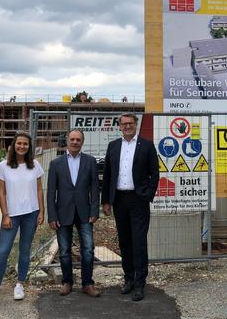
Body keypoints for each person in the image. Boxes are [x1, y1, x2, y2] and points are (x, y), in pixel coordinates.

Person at [101, 113, 159, 301]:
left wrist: (147, 194)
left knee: (139, 242)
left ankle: (140, 283)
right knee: (125, 242)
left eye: (130, 123)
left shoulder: (146, 145)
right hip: (119, 200)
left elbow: (154, 174)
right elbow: (108, 175)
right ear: (119, 126)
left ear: (136, 124)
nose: (127, 126)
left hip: (138, 200)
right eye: (124, 124)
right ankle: (128, 279)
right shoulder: (113, 146)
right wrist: (106, 201)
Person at [0, 132, 45, 305]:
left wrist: (42, 211)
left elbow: (40, 190)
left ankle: (20, 284)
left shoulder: (35, 165)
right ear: (13, 145)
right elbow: (1, 193)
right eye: (19, 143)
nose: (22, 146)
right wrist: (5, 215)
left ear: (29, 147)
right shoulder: (3, 166)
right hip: (11, 215)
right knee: (3, 251)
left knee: (25, 251)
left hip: (31, 213)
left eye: (25, 144)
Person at [47, 129, 101, 297]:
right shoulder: (56, 163)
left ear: (82, 142)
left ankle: (87, 283)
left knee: (88, 250)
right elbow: (51, 192)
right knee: (64, 250)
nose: (75, 142)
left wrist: (94, 210)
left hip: (85, 213)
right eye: (72, 139)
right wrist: (52, 215)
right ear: (67, 141)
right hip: (63, 213)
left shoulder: (91, 161)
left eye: (78, 139)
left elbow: (94, 188)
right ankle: (67, 282)